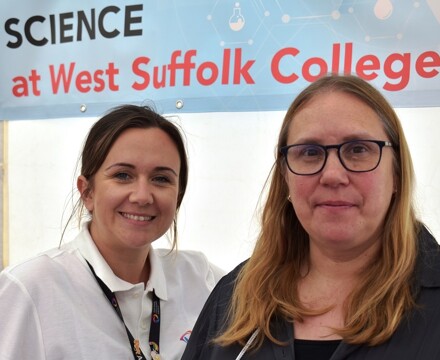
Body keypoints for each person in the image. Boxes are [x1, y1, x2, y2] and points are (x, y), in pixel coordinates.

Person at [181, 74, 440, 359]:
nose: (332, 175)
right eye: (310, 152)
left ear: (397, 173)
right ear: (285, 177)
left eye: (358, 149)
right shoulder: (234, 297)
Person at [0, 104, 224, 359]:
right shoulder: (31, 289)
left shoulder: (201, 279)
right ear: (87, 192)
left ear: (178, 195)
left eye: (161, 178)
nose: (142, 196)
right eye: (123, 175)